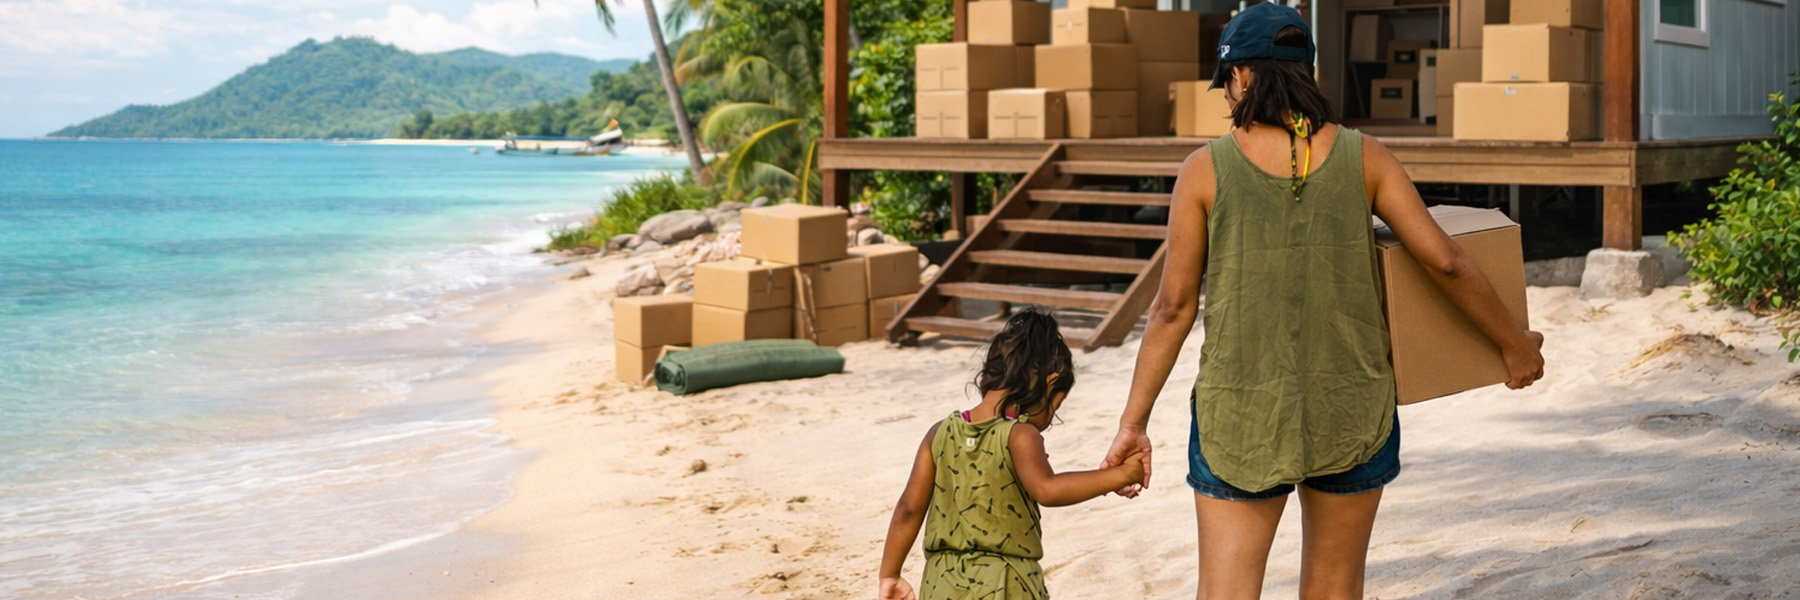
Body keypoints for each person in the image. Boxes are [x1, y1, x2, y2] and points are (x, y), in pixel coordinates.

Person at [1099, 4, 1547, 599]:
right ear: (1305, 74)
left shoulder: (1204, 171)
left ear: (1241, 78)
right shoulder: (1366, 156)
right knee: (1335, 587)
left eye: (1226, 83)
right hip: (1350, 407)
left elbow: (1172, 310)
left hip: (1243, 417)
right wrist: (1514, 345)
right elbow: (1447, 262)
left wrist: (1134, 423)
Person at [878, 309, 1148, 600]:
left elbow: (908, 508)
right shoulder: (1019, 435)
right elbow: (1048, 490)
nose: (1048, 421)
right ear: (1049, 382)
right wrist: (1121, 474)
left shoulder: (939, 433)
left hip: (942, 583)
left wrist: (890, 574)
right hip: (1006, 583)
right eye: (1055, 408)